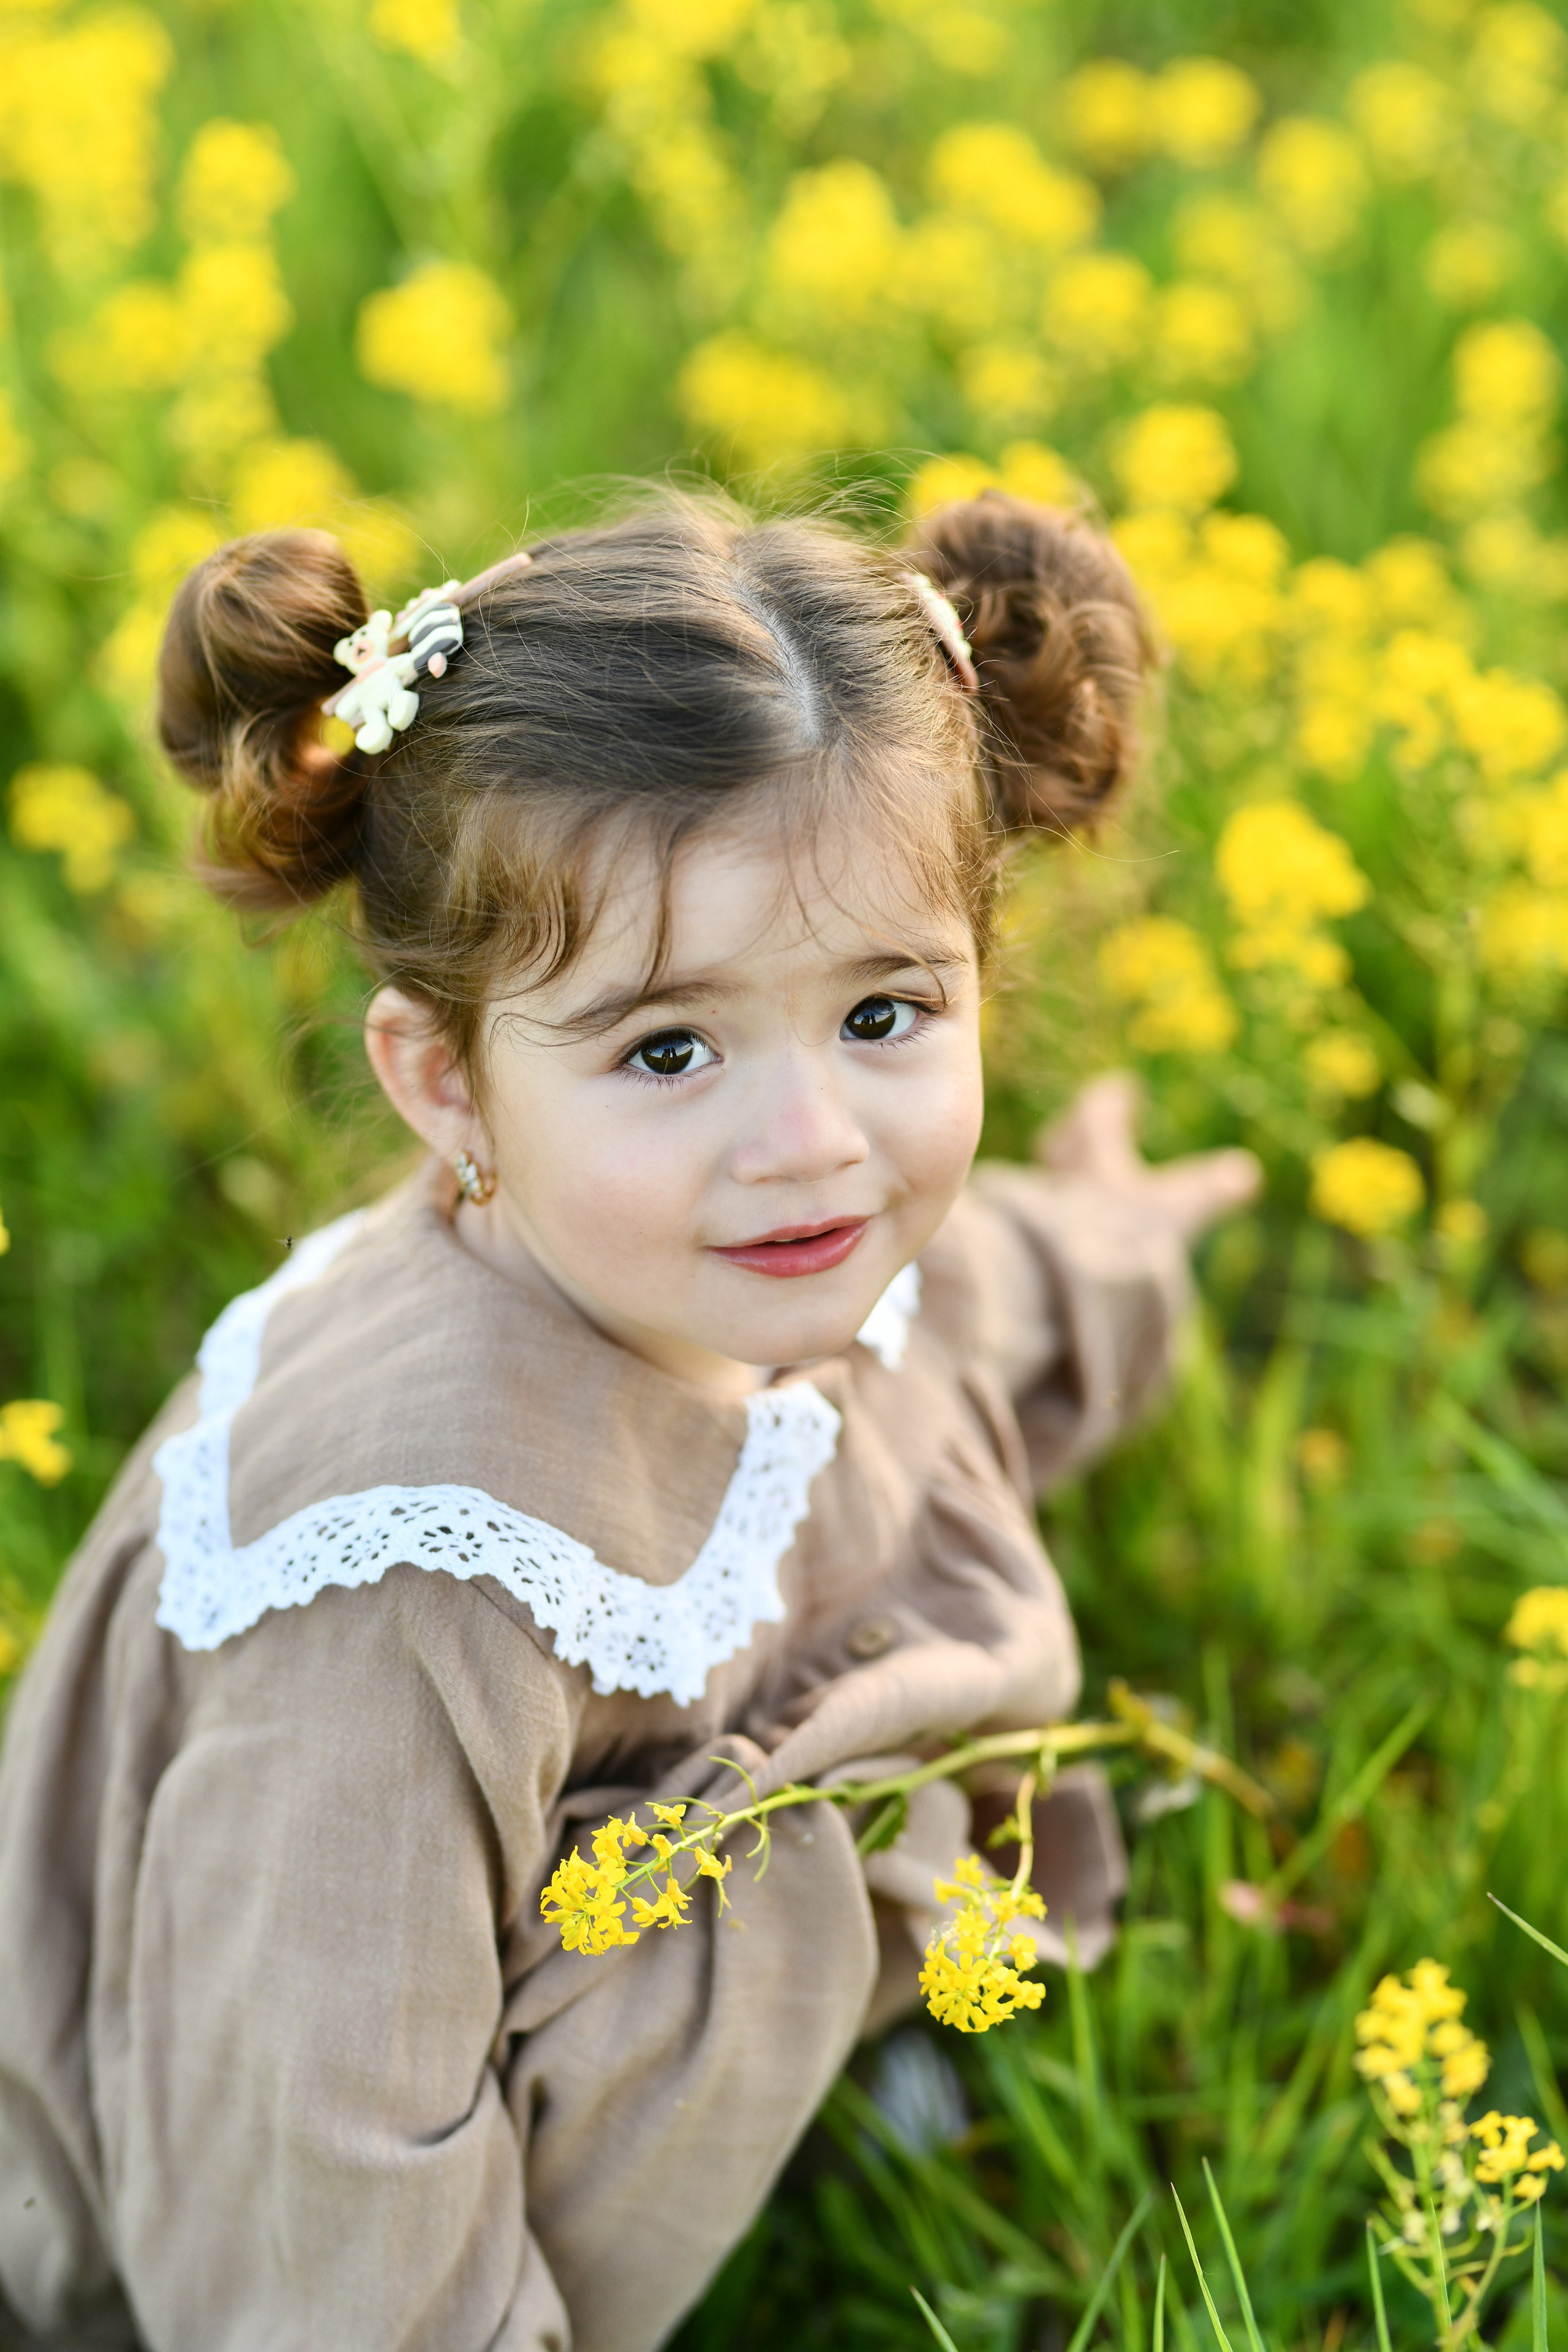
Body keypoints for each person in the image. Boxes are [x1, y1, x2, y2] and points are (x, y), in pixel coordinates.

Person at [0, 489, 1256, 2351]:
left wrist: (1128, 1248)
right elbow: (315, 2197)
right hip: (267, 2203)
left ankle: (824, 2039)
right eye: (670, 1049)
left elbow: (970, 1304)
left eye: (890, 1012)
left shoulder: (732, 1243)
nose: (813, 1136)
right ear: (446, 1082)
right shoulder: (402, 1588)